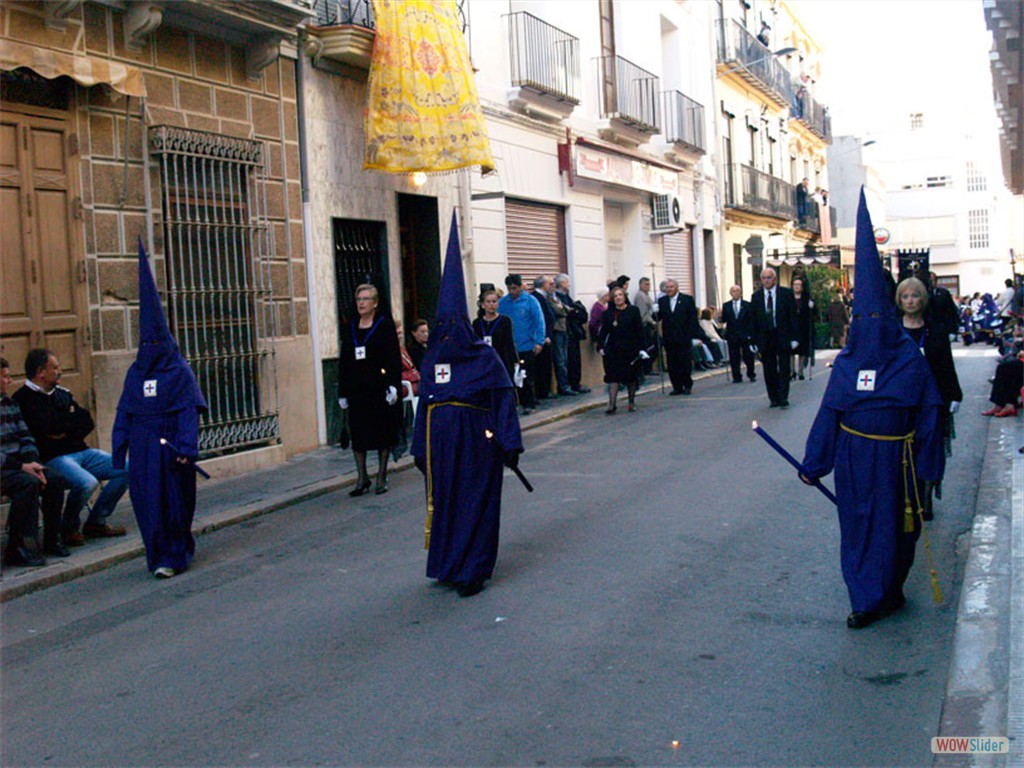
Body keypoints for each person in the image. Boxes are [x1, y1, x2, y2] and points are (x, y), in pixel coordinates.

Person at [801, 190, 945, 630]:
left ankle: (890, 591)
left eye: (875, 321)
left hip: (898, 463)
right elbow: (828, 415)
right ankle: (865, 598)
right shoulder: (846, 363)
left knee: (899, 532)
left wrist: (928, 464)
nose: (869, 330)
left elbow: (931, 412)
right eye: (860, 322)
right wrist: (814, 463)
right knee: (861, 528)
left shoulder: (909, 361)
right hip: (854, 460)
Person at [412, 214, 522, 598]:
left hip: (477, 444)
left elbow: (503, 399)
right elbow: (424, 403)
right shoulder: (433, 360)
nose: (447, 334)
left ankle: (472, 569)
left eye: (453, 325)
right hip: (442, 446)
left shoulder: (484, 359)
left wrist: (507, 443)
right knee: (446, 504)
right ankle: (447, 565)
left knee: (474, 504)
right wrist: (418, 447)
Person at [112, 241, 208, 578]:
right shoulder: (135, 373)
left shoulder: (178, 371)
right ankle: (157, 554)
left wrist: (186, 447)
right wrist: (119, 446)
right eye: (146, 344)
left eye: (156, 343)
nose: (151, 349)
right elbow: (125, 411)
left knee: (174, 504)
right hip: (142, 451)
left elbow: (188, 411)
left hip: (170, 453)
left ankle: (176, 552)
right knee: (148, 505)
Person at [14, 349, 129, 544]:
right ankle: (68, 526)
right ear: (41, 372)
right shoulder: (23, 399)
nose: (60, 371)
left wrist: (63, 429)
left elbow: (86, 422)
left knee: (126, 468)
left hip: (82, 451)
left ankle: (97, 520)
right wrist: (67, 421)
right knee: (87, 483)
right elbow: (43, 427)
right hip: (55, 457)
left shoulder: (62, 394)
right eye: (55, 367)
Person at [896, 276, 963, 520]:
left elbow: (946, 364)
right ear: (900, 300)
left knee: (930, 450)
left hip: (933, 400)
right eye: (905, 296)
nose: (910, 301)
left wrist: (955, 394)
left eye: (914, 296)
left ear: (922, 299)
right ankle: (907, 497)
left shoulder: (935, 329)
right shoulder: (893, 330)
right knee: (906, 452)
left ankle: (925, 497)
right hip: (902, 401)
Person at [1, 357, 68, 566]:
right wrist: (23, 467)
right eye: (5, 377)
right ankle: (16, 546)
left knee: (54, 479)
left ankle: (51, 538)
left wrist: (32, 462)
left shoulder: (10, 404)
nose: (10, 381)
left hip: (21, 464)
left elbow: (26, 436)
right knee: (27, 483)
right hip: (6, 466)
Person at [338, 284, 403, 496]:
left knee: (381, 432)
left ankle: (381, 476)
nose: (361, 303)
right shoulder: (351, 326)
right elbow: (345, 359)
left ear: (375, 303)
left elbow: (393, 356)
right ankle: (362, 477)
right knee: (359, 434)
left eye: (366, 299)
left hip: (378, 386)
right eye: (358, 299)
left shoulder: (384, 325)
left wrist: (393, 385)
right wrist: (342, 392)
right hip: (357, 388)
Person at [750, 268, 798, 408]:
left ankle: (783, 397)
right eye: (764, 278)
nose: (766, 280)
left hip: (782, 334)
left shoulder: (786, 294)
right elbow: (753, 320)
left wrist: (794, 337)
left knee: (784, 367)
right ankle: (773, 397)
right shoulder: (756, 297)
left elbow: (793, 317)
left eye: (769, 277)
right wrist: (753, 340)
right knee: (769, 369)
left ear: (775, 279)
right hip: (766, 337)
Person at [499, 274, 546, 416]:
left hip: (526, 345)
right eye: (509, 289)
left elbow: (539, 321)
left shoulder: (531, 301)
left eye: (514, 288)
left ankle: (529, 403)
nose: (512, 291)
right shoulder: (503, 302)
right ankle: (513, 402)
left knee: (525, 376)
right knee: (509, 376)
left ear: (520, 286)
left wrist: (539, 341)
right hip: (509, 347)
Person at [598, 286, 646, 413]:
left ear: (624, 297)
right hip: (614, 350)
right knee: (613, 378)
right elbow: (603, 332)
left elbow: (639, 330)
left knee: (631, 377)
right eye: (615, 296)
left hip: (631, 349)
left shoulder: (633, 311)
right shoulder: (607, 314)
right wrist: (601, 346)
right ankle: (612, 404)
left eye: (620, 295)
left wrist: (642, 348)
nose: (618, 298)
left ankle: (631, 402)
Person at [657, 279, 709, 396]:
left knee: (684, 362)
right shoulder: (662, 301)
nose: (669, 289)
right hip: (669, 337)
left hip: (683, 337)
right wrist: (655, 311)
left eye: (671, 287)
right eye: (667, 287)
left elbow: (692, 320)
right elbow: (658, 318)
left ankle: (687, 384)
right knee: (672, 363)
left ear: (676, 288)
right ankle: (676, 386)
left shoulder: (687, 300)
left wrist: (694, 335)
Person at [554, 275, 590, 394]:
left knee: (574, 358)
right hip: (566, 331)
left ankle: (575, 382)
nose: (569, 284)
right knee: (567, 359)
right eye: (567, 282)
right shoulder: (557, 297)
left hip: (572, 332)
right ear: (561, 283)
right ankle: (569, 384)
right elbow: (566, 312)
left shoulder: (566, 296)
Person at [473, 288, 518, 383]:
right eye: (488, 302)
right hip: (483, 361)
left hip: (501, 359)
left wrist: (515, 361)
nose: (491, 305)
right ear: (483, 305)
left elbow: (509, 342)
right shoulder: (477, 323)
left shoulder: (505, 321)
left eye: (494, 302)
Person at [722, 285, 756, 383]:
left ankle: (751, 374)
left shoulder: (747, 305)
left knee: (748, 356)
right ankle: (736, 376)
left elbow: (751, 320)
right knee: (734, 356)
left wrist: (750, 333)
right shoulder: (726, 305)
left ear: (740, 293)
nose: (735, 293)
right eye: (733, 291)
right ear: (730, 293)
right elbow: (724, 320)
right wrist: (721, 317)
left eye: (737, 291)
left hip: (745, 334)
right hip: (732, 335)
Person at [530, 276, 556, 401]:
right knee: (542, 365)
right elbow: (540, 319)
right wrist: (544, 336)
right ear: (543, 284)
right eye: (549, 283)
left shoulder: (544, 296)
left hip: (547, 335)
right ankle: (542, 391)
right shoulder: (536, 297)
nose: (551, 285)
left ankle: (546, 390)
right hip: (542, 337)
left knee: (546, 364)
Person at [791, 277, 814, 380]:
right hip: (791, 326)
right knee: (790, 351)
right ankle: (791, 371)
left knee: (802, 351)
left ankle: (800, 371)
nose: (796, 286)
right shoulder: (789, 297)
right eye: (795, 284)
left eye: (798, 285)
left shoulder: (806, 298)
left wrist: (811, 307)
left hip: (803, 327)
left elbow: (813, 314)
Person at [633, 277, 657, 375]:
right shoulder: (640, 296)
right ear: (641, 285)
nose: (648, 286)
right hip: (645, 325)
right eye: (646, 284)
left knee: (654, 345)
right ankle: (646, 368)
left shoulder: (647, 295)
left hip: (649, 324)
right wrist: (652, 322)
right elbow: (643, 314)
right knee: (649, 347)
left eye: (649, 284)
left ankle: (648, 367)